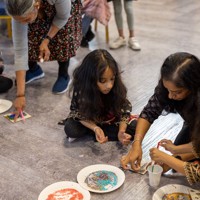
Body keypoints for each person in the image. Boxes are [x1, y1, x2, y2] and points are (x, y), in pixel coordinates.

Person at [120, 52, 200, 183]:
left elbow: (196, 173)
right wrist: (137, 143)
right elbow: (149, 112)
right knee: (179, 157)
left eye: (177, 92)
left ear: (193, 86)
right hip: (193, 124)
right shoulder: (170, 88)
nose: (169, 96)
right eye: (167, 89)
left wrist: (167, 159)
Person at [4, 0, 82, 117]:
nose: (23, 24)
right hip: (34, 10)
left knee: (64, 35)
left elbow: (62, 17)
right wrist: (20, 95)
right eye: (20, 21)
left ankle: (63, 74)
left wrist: (47, 40)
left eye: (25, 20)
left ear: (36, 6)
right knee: (32, 35)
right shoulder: (17, 7)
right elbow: (20, 50)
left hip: (64, 10)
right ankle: (35, 70)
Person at [63, 49, 137, 144]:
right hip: (89, 118)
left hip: (110, 119)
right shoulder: (82, 88)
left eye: (112, 79)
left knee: (136, 128)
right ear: (90, 79)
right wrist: (95, 128)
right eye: (102, 81)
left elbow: (124, 111)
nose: (109, 85)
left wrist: (121, 131)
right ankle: (99, 132)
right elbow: (79, 114)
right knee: (71, 129)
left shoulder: (116, 87)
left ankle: (99, 133)